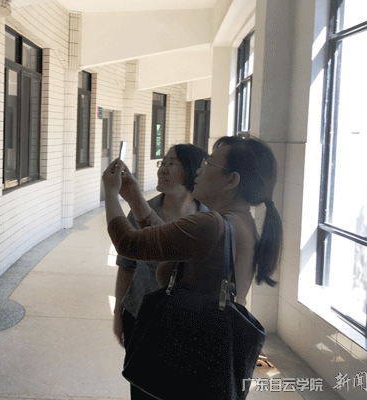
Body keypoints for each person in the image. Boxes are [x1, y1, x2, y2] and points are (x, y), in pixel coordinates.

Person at [103, 136, 282, 395]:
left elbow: (128, 243)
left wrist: (110, 193)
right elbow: (168, 240)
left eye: (209, 163)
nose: (199, 169)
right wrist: (133, 196)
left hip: (179, 352)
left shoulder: (211, 225)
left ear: (232, 180)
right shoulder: (243, 224)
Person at [112, 144, 207, 399]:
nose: (162, 169)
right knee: (141, 389)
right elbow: (126, 266)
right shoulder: (142, 210)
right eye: (162, 163)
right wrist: (119, 314)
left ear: (191, 170)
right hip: (140, 316)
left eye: (171, 163)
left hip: (186, 322)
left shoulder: (207, 218)